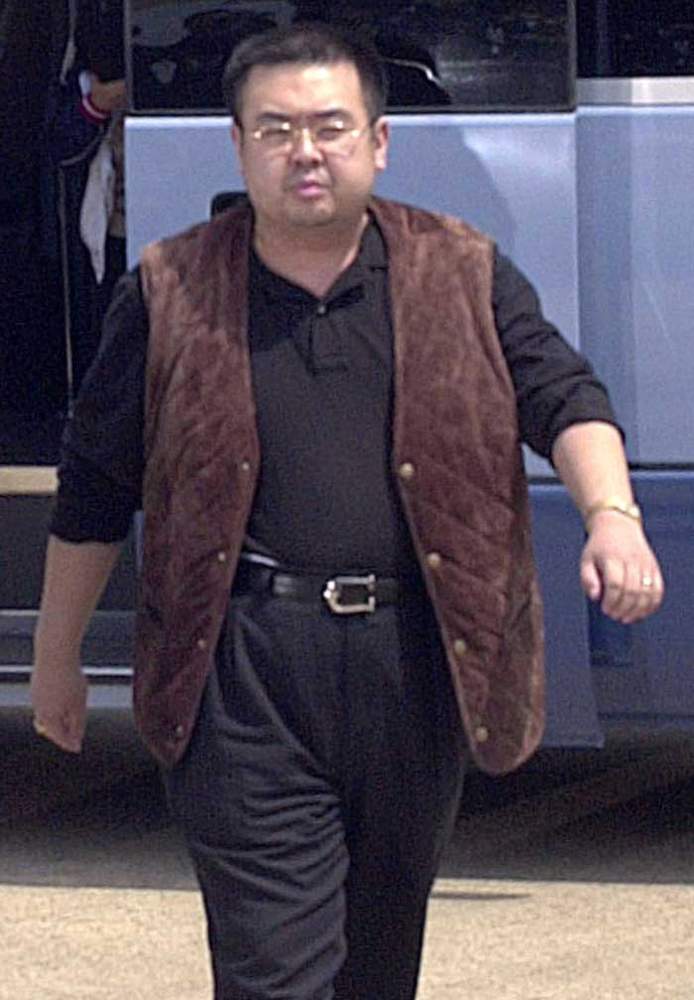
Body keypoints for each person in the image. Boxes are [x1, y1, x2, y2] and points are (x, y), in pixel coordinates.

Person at [31, 21, 664, 1000]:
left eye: (329, 127)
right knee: (274, 973)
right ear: (238, 145)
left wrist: (613, 515)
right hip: (241, 667)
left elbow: (565, 398)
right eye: (275, 130)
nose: (305, 152)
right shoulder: (172, 287)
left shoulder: (460, 270)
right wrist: (55, 655)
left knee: (377, 967)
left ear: (378, 141)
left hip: (413, 663)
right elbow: (96, 481)